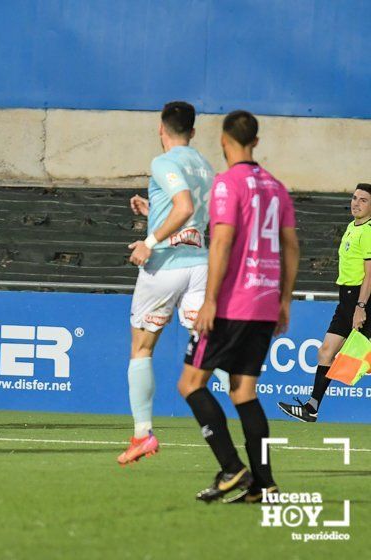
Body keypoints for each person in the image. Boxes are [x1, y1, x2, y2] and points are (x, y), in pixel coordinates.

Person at [177, 110, 299, 503]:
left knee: (190, 383)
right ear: (256, 142)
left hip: (232, 304)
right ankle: (265, 484)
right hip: (264, 303)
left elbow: (223, 242)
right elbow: (292, 247)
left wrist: (210, 300)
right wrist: (283, 299)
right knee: (244, 392)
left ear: (224, 142)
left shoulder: (227, 184)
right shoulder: (277, 187)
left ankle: (232, 469)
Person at [118, 101, 223, 465]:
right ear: (193, 132)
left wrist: (149, 241)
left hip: (166, 264)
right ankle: (236, 369)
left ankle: (142, 435)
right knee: (204, 340)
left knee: (142, 348)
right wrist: (153, 213)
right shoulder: (207, 167)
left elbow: (180, 207)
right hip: (200, 264)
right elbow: (191, 214)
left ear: (161, 129)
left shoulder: (163, 162)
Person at [278, 183, 371, 422]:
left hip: (362, 300)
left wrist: (361, 307)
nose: (356, 203)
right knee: (325, 352)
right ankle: (312, 408)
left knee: (362, 361)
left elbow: (370, 274)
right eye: (354, 198)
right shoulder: (352, 226)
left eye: (363, 200)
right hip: (346, 299)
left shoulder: (370, 230)